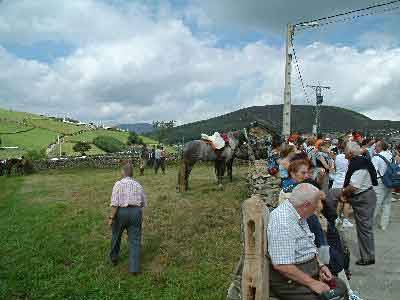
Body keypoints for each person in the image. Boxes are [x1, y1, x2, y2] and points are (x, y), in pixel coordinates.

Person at [268, 183, 348, 300]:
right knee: (331, 296)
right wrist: (312, 283)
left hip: (306, 271)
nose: (317, 208)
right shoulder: (283, 222)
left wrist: (320, 266)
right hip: (289, 281)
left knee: (340, 287)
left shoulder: (297, 212)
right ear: (306, 204)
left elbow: (307, 245)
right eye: (315, 204)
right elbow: (282, 265)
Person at [339, 142, 378, 266]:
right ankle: (368, 255)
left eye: (345, 150)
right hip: (365, 195)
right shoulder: (360, 161)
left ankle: (367, 257)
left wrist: (343, 192)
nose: (343, 152)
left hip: (363, 198)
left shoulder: (359, 164)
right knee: (365, 228)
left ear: (350, 153)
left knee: (364, 229)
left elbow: (354, 186)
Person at [108, 164, 147, 274]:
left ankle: (114, 258)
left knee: (116, 235)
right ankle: (134, 268)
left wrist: (111, 218)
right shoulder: (138, 185)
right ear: (132, 173)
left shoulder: (118, 184)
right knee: (135, 240)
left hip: (121, 212)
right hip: (136, 212)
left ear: (123, 172)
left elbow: (115, 203)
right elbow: (143, 202)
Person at [371, 140, 393, 230]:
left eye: (376, 146)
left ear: (380, 147)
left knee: (376, 203)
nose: (375, 147)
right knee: (387, 203)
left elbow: (373, 171)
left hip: (379, 182)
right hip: (390, 181)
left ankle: (370, 223)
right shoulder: (390, 155)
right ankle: (384, 224)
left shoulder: (376, 157)